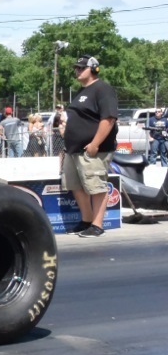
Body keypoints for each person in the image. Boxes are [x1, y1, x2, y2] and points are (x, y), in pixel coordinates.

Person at [61, 55, 118, 238]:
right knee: (76, 186)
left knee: (96, 186)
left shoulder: (103, 89)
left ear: (93, 69)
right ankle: (86, 220)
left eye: (81, 68)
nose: (77, 71)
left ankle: (97, 224)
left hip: (93, 151)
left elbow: (108, 119)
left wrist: (95, 144)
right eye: (76, 68)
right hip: (73, 150)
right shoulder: (80, 91)